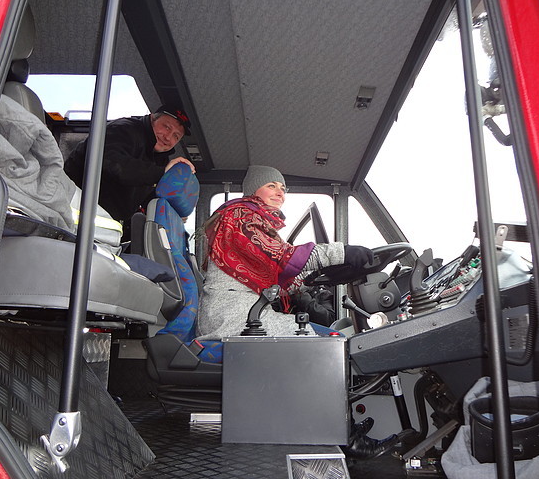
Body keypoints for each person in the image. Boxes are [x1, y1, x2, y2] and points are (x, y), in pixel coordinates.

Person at [197, 165, 398, 459]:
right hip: (233, 316)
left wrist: (313, 278)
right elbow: (283, 258)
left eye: (283, 188)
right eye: (271, 185)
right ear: (253, 189)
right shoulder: (240, 217)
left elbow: (278, 274)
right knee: (325, 346)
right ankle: (347, 438)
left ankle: (342, 422)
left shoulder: (254, 219)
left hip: (248, 311)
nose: (280, 192)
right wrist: (342, 252)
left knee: (330, 337)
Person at [64, 104, 195, 239]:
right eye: (166, 127)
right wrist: (162, 173)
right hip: (74, 217)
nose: (168, 137)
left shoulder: (160, 159)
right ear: (152, 118)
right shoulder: (123, 129)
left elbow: (147, 195)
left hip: (106, 228)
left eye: (176, 136)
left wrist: (172, 211)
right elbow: (114, 164)